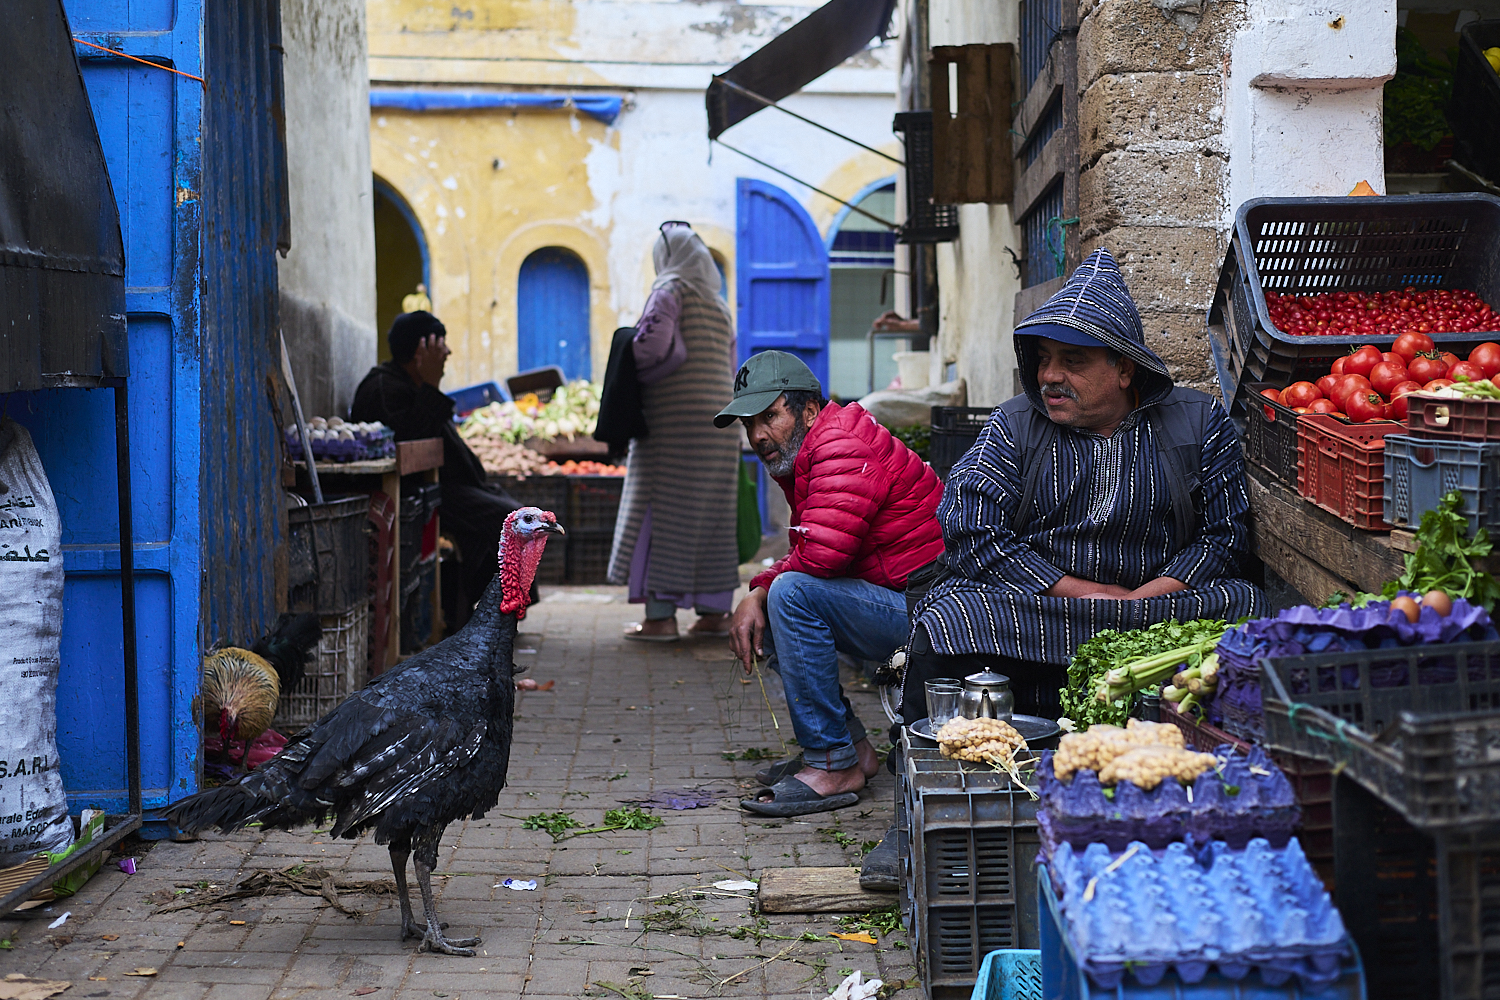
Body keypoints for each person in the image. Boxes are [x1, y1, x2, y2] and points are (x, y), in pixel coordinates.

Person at [857, 248, 1267, 885]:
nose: (1050, 375)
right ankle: (911, 816)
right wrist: (1082, 590)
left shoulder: (1196, 422)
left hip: (1156, 606)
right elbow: (969, 526)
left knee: (1245, 602)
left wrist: (1145, 597)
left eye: (1072, 361)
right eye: (1043, 359)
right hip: (1043, 605)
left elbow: (1226, 534)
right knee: (952, 613)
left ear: (1124, 369)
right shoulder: (1016, 425)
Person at [717, 351, 945, 818]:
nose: (757, 435)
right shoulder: (811, 449)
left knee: (790, 596)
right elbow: (814, 547)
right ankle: (852, 752)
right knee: (780, 600)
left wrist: (759, 591)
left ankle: (831, 764)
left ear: (808, 410)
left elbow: (823, 556)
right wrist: (760, 591)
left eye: (769, 417)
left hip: (931, 615)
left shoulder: (841, 444)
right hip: (904, 600)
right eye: (749, 424)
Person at [608, 222, 741, 641]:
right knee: (712, 517)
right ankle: (715, 614)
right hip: (721, 422)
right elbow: (730, 364)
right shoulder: (718, 304)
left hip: (673, 420)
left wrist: (625, 347)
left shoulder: (669, 290)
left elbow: (651, 346)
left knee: (664, 514)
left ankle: (660, 618)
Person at [350, 311, 521, 621]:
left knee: (512, 512)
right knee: (508, 520)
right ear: (421, 351)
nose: (447, 352)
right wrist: (430, 385)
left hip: (443, 487)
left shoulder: (410, 383)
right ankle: (492, 611)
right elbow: (411, 438)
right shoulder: (383, 387)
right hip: (420, 494)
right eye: (440, 344)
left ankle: (489, 610)